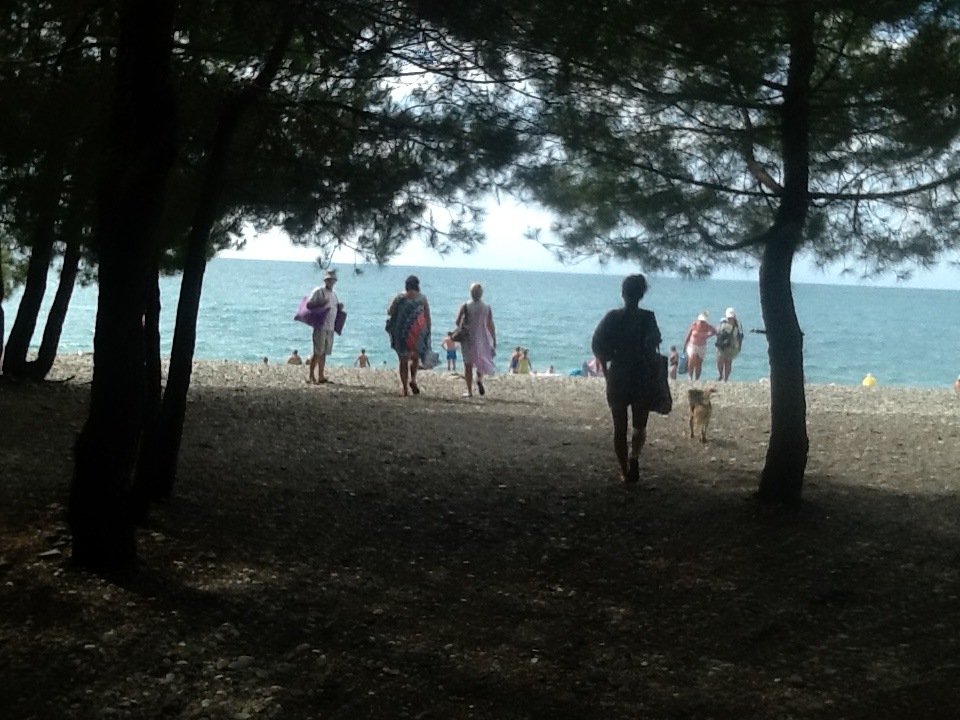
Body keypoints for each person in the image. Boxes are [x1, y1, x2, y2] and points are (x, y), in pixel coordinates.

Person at [591, 274, 662, 484]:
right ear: (642, 294)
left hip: (618, 374)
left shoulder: (612, 317)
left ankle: (624, 470)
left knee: (619, 427)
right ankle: (634, 457)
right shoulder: (648, 318)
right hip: (641, 375)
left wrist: (606, 369)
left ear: (623, 293)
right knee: (639, 425)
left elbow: (597, 345)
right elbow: (654, 344)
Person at [386, 275, 431, 396]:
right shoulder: (422, 298)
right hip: (417, 332)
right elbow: (427, 316)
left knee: (403, 360)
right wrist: (428, 332)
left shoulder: (400, 297)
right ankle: (413, 379)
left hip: (401, 333)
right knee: (415, 357)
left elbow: (390, 311)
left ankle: (405, 388)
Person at [456, 282, 497, 397]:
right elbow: (490, 325)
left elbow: (457, 322)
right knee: (481, 361)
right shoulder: (486, 307)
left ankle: (469, 391)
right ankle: (479, 378)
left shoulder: (465, 306)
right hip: (482, 338)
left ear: (471, 293)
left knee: (468, 365)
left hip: (468, 338)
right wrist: (494, 339)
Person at [307, 269, 341, 384]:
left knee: (324, 353)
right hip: (320, 326)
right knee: (318, 352)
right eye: (328, 279)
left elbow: (333, 308)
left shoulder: (334, 294)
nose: (331, 282)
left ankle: (321, 376)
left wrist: (340, 307)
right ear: (325, 280)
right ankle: (311, 376)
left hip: (330, 327)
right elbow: (309, 305)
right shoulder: (319, 291)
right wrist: (320, 303)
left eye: (332, 280)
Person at [682, 311, 716, 380]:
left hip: (702, 346)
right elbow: (688, 335)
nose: (702, 323)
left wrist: (709, 335)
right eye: (701, 321)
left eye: (703, 321)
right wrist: (684, 345)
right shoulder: (694, 325)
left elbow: (715, 331)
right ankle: (690, 376)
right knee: (691, 359)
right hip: (692, 345)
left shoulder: (707, 326)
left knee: (699, 363)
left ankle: (697, 378)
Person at [715, 308, 744, 382]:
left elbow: (740, 336)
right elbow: (718, 333)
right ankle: (720, 375)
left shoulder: (738, 325)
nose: (730, 319)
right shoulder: (722, 322)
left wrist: (739, 346)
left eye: (731, 317)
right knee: (720, 360)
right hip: (722, 344)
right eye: (729, 318)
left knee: (728, 362)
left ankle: (726, 378)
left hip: (732, 345)